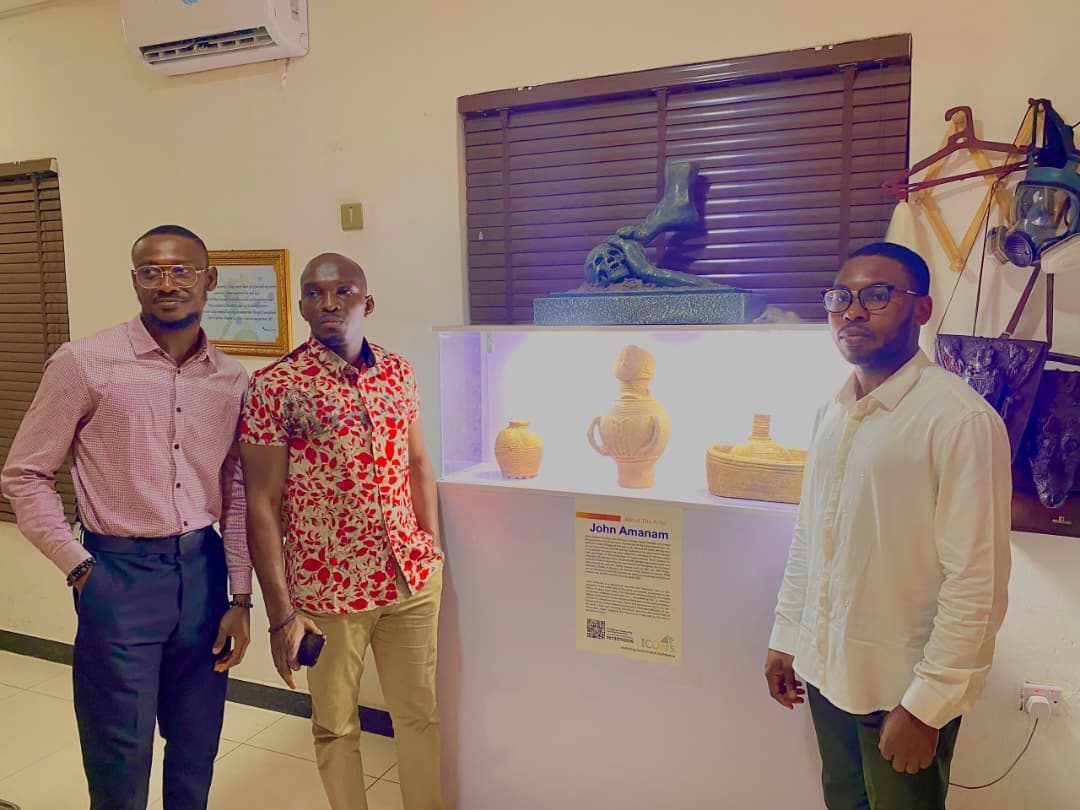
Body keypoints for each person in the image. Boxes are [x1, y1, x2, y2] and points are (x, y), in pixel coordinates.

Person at [0, 225, 253, 810]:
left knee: (196, 749)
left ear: (209, 279)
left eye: (182, 269)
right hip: (116, 575)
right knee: (120, 754)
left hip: (204, 575)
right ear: (135, 281)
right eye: (151, 271)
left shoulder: (231, 379)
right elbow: (25, 474)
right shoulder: (84, 363)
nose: (167, 283)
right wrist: (79, 567)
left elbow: (236, 491)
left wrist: (240, 597)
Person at [764, 242, 1012, 809]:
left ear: (921, 309)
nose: (853, 311)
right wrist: (787, 635)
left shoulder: (959, 420)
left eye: (877, 295)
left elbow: (977, 582)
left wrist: (927, 706)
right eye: (840, 298)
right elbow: (811, 537)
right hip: (827, 670)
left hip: (903, 687)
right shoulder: (832, 413)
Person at [240, 252, 443, 810]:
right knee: (336, 727)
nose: (328, 302)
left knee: (420, 716)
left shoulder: (398, 372)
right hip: (328, 592)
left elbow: (417, 462)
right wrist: (281, 613)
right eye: (314, 293)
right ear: (301, 305)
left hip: (409, 580)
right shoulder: (274, 387)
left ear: (366, 302)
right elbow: (262, 503)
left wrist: (431, 546)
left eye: (343, 291)